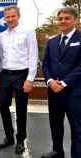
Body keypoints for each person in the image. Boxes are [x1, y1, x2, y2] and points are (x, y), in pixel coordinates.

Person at [0, 5, 38, 154]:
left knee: (21, 109)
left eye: (13, 16)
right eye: (7, 17)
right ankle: (9, 137)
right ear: (4, 19)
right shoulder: (2, 36)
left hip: (22, 75)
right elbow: (1, 58)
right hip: (6, 75)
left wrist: (30, 79)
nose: (10, 19)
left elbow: (33, 56)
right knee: (2, 105)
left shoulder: (28, 32)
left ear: (18, 16)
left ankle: (20, 140)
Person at [41, 7, 81, 158]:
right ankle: (57, 152)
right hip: (54, 92)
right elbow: (45, 64)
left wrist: (63, 83)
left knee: (77, 129)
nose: (63, 21)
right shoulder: (52, 41)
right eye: (61, 18)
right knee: (56, 125)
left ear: (75, 20)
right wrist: (50, 81)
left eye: (67, 18)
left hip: (74, 93)